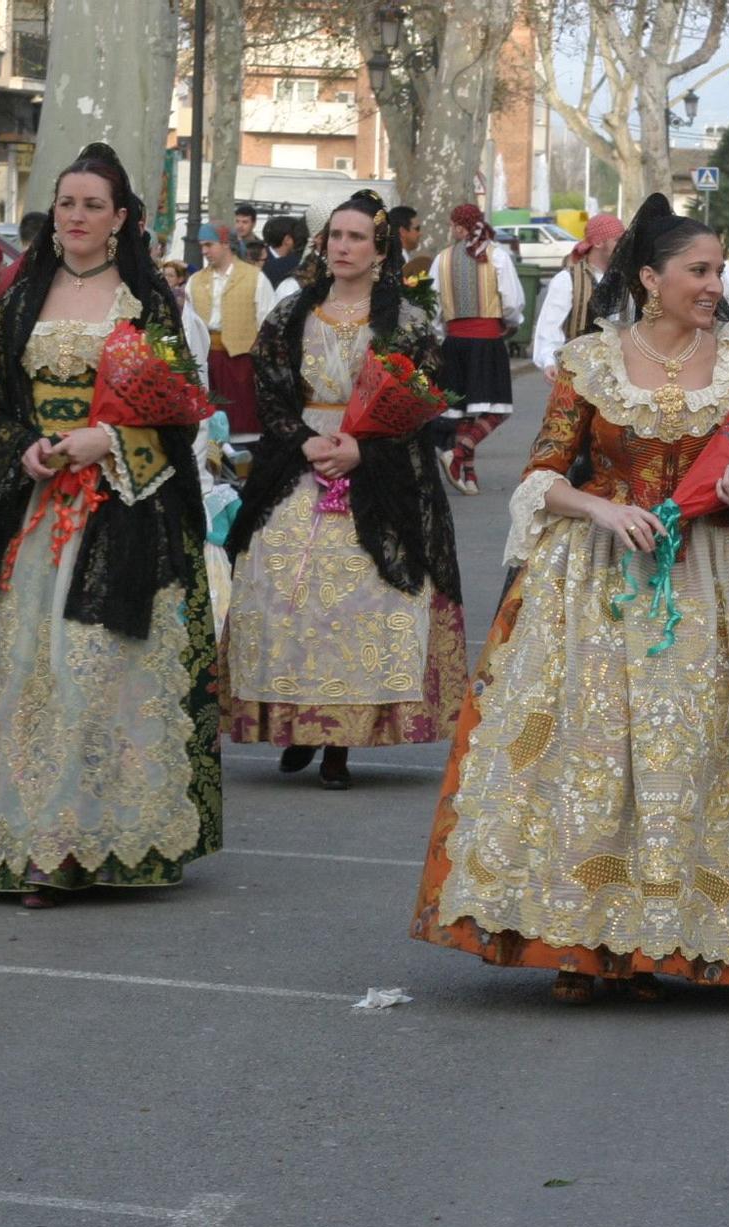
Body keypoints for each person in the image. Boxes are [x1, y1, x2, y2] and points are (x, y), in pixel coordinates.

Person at [410, 192, 729, 1003]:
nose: (714, 283)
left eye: (719, 269)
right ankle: (582, 942)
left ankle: (664, 941)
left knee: (691, 755)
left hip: (711, 577)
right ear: (651, 279)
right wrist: (602, 507)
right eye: (699, 269)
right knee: (588, 752)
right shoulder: (589, 361)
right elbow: (543, 476)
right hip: (595, 577)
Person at [0, 141, 221, 907]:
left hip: (120, 509)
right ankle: (18, 835)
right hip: (29, 513)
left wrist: (108, 442)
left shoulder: (149, 303)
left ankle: (77, 838)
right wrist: (22, 447)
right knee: (15, 670)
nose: (78, 216)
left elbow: (182, 413)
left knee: (91, 667)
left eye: (94, 204)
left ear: (122, 218)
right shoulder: (19, 302)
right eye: (67, 203)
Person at [223, 192, 468, 789]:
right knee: (279, 582)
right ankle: (296, 722)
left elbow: (422, 407)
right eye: (335, 236)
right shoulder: (291, 315)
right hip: (302, 459)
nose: (342, 246)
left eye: (357, 237)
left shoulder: (406, 323)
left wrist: (364, 447)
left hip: (373, 464)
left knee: (364, 595)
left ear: (380, 250)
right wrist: (305, 441)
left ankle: (339, 741)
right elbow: (272, 392)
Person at [430, 203, 524, 495]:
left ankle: (468, 476)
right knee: (497, 408)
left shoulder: (442, 259)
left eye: (453, 224)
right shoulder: (497, 257)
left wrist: (441, 333)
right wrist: (510, 322)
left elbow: (433, 307)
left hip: (454, 342)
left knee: (463, 412)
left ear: (461, 227)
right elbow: (512, 302)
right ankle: (459, 454)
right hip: (486, 341)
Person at [187, 221, 276, 440]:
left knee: (242, 423)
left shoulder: (255, 278)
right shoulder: (195, 281)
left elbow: (269, 325)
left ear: (226, 243)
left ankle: (242, 465)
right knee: (207, 423)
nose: (204, 251)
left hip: (241, 361)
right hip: (205, 360)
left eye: (209, 244)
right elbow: (188, 326)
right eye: (201, 246)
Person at [531, 211, 623, 379]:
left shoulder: (624, 279)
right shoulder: (567, 279)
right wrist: (549, 360)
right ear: (598, 242)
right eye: (617, 240)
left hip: (618, 375)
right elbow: (550, 326)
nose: (623, 245)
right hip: (577, 373)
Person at [260, 215, 305, 288]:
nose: (300, 239)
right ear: (287, 239)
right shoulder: (260, 262)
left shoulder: (261, 256)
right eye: (298, 235)